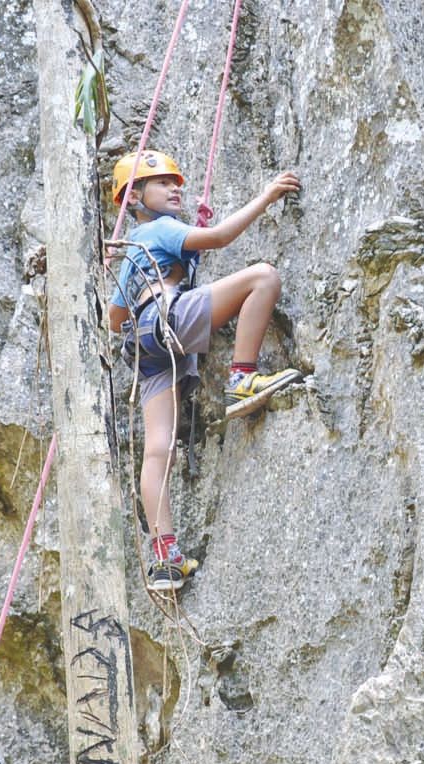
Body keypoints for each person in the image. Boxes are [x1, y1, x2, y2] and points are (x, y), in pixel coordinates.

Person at [107, 149, 303, 592]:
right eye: (163, 184)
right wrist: (267, 196)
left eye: (177, 182)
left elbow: (114, 319)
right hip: (171, 320)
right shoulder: (160, 228)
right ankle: (242, 377)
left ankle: (164, 559)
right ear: (134, 197)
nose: (176, 188)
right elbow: (217, 238)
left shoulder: (133, 250)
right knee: (264, 277)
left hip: (146, 341)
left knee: (158, 450)